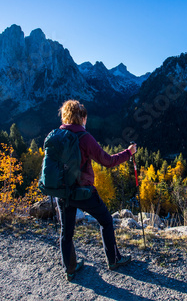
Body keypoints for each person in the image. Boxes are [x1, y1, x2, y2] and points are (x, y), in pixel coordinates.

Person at [56, 100, 137, 281]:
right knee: (106, 221)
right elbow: (108, 161)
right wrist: (128, 153)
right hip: (83, 192)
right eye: (85, 117)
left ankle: (70, 269)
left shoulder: (57, 135)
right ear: (82, 117)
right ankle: (114, 259)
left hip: (62, 192)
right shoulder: (85, 137)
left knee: (66, 231)